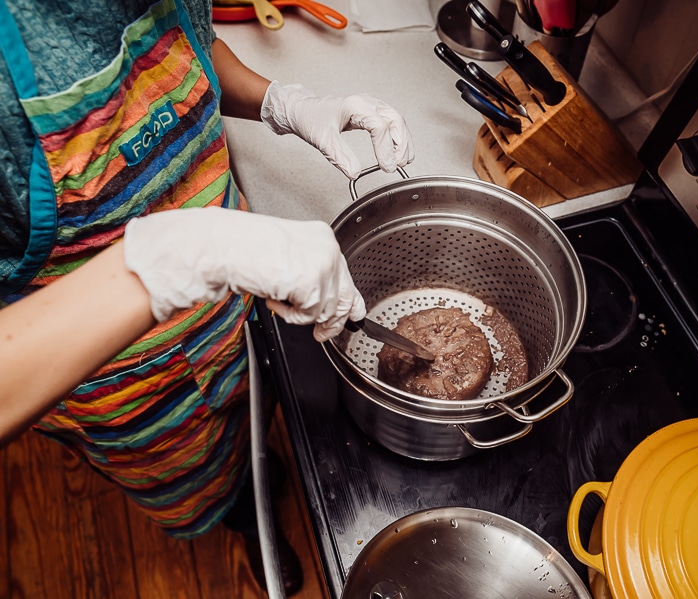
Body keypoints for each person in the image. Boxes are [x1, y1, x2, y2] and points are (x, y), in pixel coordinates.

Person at [0, 0, 413, 594]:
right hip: (132, 391)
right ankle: (243, 520)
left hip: (237, 313)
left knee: (254, 427)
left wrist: (285, 103)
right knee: (204, 482)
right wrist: (177, 259)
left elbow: (181, 54)